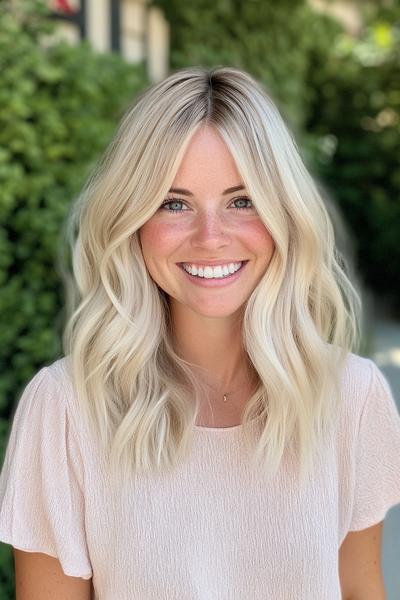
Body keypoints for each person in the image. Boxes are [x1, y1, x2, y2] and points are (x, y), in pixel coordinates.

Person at [0, 66, 400, 600]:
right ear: (133, 221)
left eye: (243, 201)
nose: (211, 238)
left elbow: (359, 590)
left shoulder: (351, 394)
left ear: (285, 215)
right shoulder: (67, 409)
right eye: (174, 203)